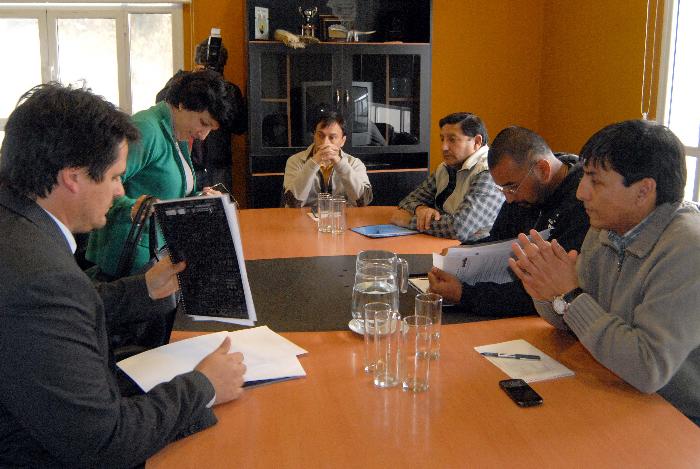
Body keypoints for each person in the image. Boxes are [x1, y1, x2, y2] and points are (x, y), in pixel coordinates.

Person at [0, 83, 246, 467]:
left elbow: (70, 311)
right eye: (115, 177)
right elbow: (103, 441)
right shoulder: (41, 278)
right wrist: (203, 386)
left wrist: (144, 288)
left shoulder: (19, 226)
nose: (119, 192)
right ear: (73, 177)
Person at [509, 120, 700, 424]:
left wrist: (569, 295)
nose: (581, 193)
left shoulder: (688, 248)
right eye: (584, 176)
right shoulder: (606, 227)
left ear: (643, 190)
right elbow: (572, 321)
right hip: (616, 383)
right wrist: (546, 290)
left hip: (677, 415)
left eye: (595, 181)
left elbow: (648, 368)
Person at [86, 69, 234, 278]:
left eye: (210, 129)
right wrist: (133, 207)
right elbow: (98, 183)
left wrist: (199, 198)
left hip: (153, 253)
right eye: (203, 123)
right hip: (128, 256)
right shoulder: (146, 129)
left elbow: (166, 191)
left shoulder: (176, 133)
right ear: (182, 103)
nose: (203, 135)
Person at [428, 126, 589, 317]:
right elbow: (498, 240)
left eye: (512, 187)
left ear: (543, 170)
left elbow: (546, 289)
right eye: (502, 189)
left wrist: (464, 295)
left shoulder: (583, 204)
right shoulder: (523, 193)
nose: (509, 199)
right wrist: (459, 254)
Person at [390, 112, 504, 242]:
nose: (443, 147)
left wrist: (409, 221)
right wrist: (421, 209)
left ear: (477, 142)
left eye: (452, 139)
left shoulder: (488, 172)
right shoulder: (446, 167)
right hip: (443, 242)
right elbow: (408, 201)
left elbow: (459, 229)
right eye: (442, 139)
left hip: (477, 248)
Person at [156, 37, 247, 191]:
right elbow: (162, 102)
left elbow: (240, 126)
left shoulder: (229, 91)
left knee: (218, 204)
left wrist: (223, 99)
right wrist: (190, 80)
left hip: (219, 166)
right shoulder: (185, 84)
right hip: (188, 161)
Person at [283, 111, 372, 207]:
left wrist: (340, 163)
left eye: (332, 137)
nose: (325, 143)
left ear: (343, 141)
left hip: (342, 215)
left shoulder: (354, 163)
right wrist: (313, 162)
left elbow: (363, 201)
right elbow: (292, 203)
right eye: (320, 136)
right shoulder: (295, 161)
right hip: (305, 216)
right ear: (314, 136)